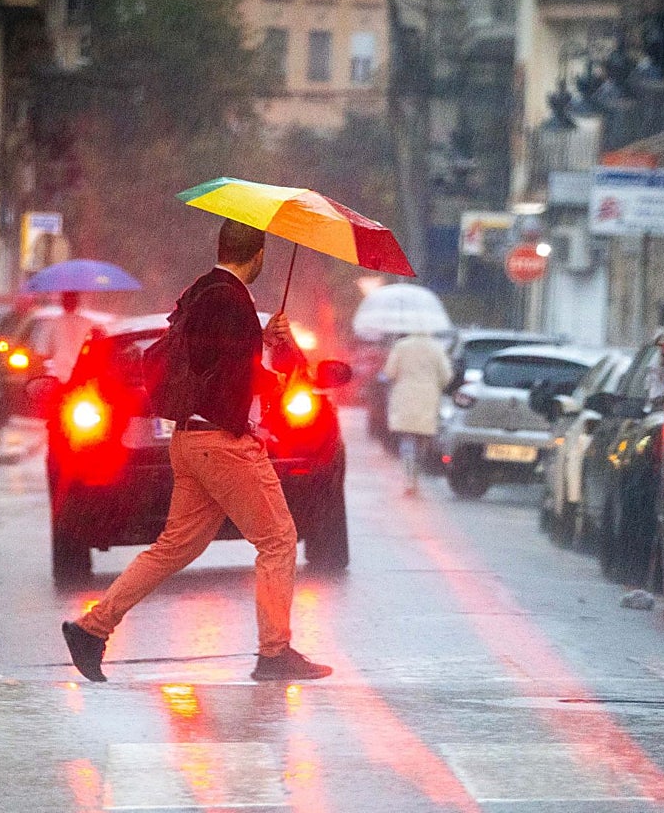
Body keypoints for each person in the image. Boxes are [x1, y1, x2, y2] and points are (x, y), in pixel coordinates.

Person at [61, 218, 332, 683]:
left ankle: (92, 628)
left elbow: (212, 361)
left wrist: (260, 340)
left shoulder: (201, 293)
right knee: (278, 540)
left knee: (174, 546)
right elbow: (244, 378)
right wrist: (284, 356)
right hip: (222, 446)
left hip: (188, 440)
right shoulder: (233, 302)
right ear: (260, 256)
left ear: (223, 247)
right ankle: (274, 653)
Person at [382, 330, 452, 496]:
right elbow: (446, 376)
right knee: (422, 439)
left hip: (404, 396)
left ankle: (408, 478)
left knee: (407, 437)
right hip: (428, 398)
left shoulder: (401, 346)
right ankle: (415, 475)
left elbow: (389, 372)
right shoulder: (437, 348)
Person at [44, 290, 99, 382]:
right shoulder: (88, 323)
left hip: (60, 374)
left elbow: (45, 350)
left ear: (62, 303)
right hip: (83, 373)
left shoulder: (54, 323)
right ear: (77, 303)